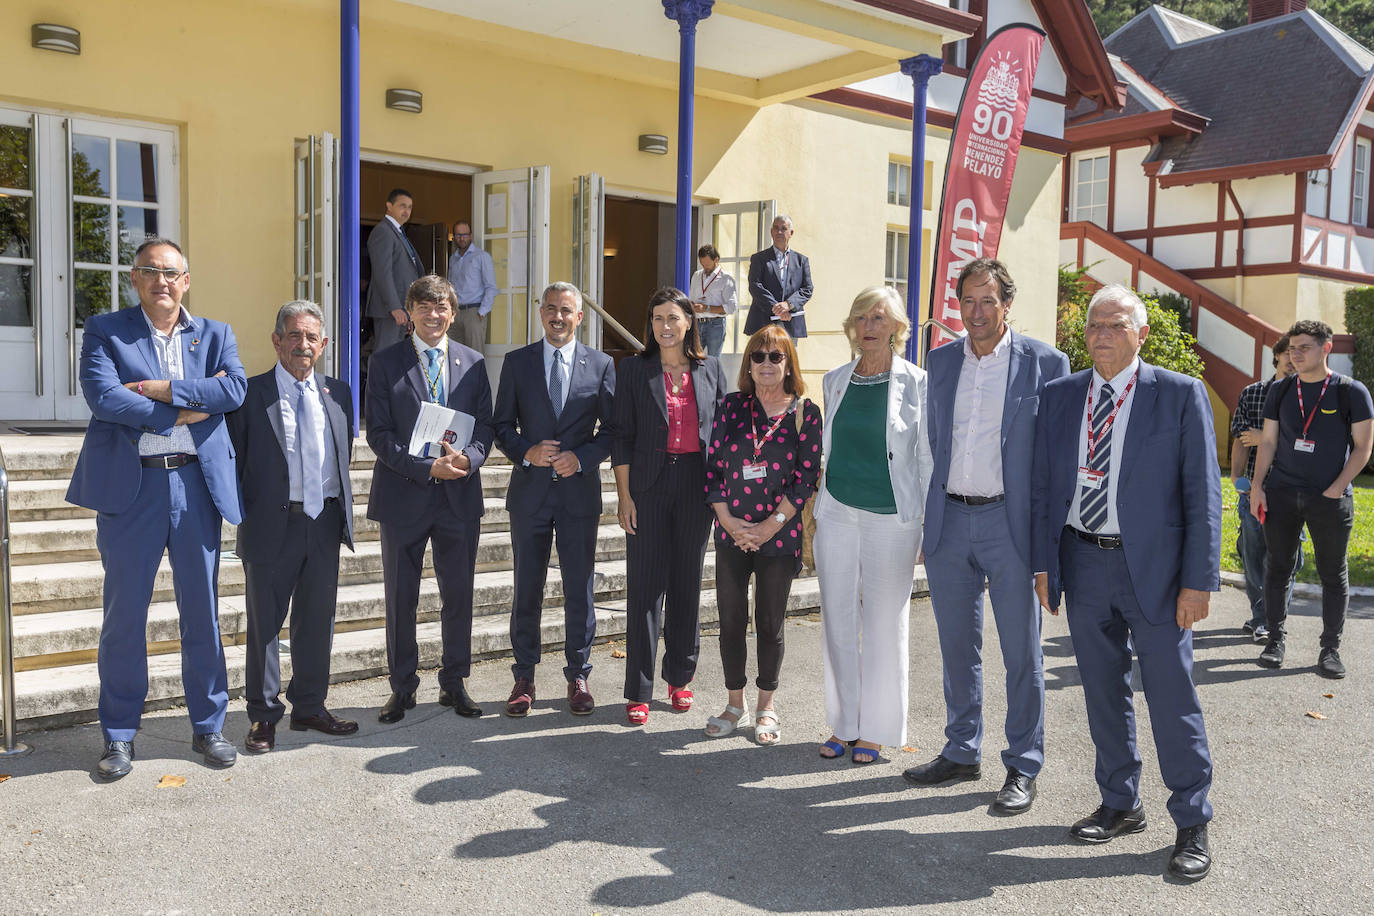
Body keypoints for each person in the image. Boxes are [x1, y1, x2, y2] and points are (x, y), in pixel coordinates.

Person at [1031, 284, 1219, 882]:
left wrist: (1198, 581)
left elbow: (1203, 494)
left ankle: (1191, 819)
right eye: (1093, 326)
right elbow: (1044, 489)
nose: (1101, 335)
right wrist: (1045, 565)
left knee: (1171, 695)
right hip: (1083, 562)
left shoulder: (1180, 395)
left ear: (1141, 333)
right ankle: (1120, 801)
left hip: (1159, 576)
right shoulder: (1062, 396)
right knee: (1101, 693)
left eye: (1114, 325)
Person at [67, 237, 246, 779]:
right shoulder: (106, 329)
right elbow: (105, 397)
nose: (161, 281)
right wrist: (185, 410)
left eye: (171, 273)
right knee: (124, 618)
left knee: (203, 615)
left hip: (195, 489)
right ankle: (119, 734)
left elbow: (234, 390)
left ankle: (209, 725)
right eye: (150, 271)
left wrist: (164, 388)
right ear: (135, 279)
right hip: (132, 491)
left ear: (186, 280)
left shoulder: (215, 334)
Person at [903, 259, 1069, 814]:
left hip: (1011, 525)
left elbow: (1056, 458)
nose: (975, 313)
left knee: (1022, 652)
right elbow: (934, 442)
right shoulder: (941, 361)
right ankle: (961, 748)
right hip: (950, 521)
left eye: (987, 302)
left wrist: (1051, 539)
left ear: (1006, 305)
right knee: (956, 648)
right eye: (967, 301)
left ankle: (1023, 764)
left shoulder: (1046, 363)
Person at [227, 301, 357, 753]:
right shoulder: (248, 394)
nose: (304, 345)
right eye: (295, 336)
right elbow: (236, 461)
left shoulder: (338, 393)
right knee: (265, 624)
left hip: (323, 523)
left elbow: (343, 456)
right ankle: (263, 717)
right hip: (270, 525)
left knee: (317, 620)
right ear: (277, 340)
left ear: (323, 345)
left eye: (312, 338)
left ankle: (309, 705)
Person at [366, 275, 495, 723]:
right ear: (411, 313)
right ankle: (402, 688)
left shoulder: (474, 363)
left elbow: (485, 428)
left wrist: (469, 460)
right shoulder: (385, 363)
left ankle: (454, 683)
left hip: (458, 495)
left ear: (453, 314)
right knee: (401, 598)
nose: (433, 315)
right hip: (404, 496)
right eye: (424, 307)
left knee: (458, 595)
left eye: (441, 308)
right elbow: (378, 435)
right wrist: (425, 468)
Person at [813, 285, 932, 765]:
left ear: (898, 327)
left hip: (893, 519)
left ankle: (878, 729)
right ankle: (845, 723)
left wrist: (924, 522)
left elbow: (924, 456)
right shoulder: (835, 379)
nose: (868, 326)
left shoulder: (918, 383)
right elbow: (827, 449)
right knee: (837, 621)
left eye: (878, 317)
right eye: (861, 317)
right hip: (838, 512)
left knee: (885, 626)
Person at [492, 282, 616, 717]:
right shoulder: (517, 362)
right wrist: (525, 450)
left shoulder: (600, 365)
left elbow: (613, 432)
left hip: (578, 496)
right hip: (530, 495)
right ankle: (524, 675)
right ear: (540, 313)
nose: (558, 317)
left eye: (566, 310)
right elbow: (501, 424)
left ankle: (578, 674)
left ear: (580, 317)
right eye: (550, 309)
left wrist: (580, 459)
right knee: (527, 586)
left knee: (578, 588)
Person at [612, 287, 727, 725]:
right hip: (647, 489)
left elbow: (723, 432)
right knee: (644, 589)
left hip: (697, 486)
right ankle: (639, 690)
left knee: (687, 586)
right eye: (658, 317)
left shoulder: (710, 368)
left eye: (673, 317)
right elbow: (620, 434)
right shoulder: (633, 370)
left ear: (689, 322)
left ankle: (680, 677)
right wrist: (624, 496)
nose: (665, 326)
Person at [702, 326, 822, 744]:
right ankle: (734, 703)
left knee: (769, 624)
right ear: (748, 364)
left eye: (776, 356)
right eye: (758, 356)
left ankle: (766, 706)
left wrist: (769, 526)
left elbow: (806, 477)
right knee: (731, 620)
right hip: (731, 532)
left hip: (780, 536)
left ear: (789, 363)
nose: (766, 364)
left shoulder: (805, 412)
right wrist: (731, 523)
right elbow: (713, 468)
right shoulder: (731, 407)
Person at [1250, 319, 1373, 678]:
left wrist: (1337, 488)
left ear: (1326, 348)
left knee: (1333, 574)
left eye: (1304, 347)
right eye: (1292, 348)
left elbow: (1364, 447)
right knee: (1278, 568)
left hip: (1329, 498)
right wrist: (1258, 486)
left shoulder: (1350, 391)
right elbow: (1269, 442)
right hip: (1282, 494)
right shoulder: (1282, 390)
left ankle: (1330, 649)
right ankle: (1275, 640)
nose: (1296, 354)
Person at [1230, 334, 1303, 643]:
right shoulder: (1253, 394)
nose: (1292, 358)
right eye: (1287, 352)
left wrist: (1268, 438)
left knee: (1287, 558)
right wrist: (1235, 478)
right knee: (1252, 554)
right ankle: (1263, 616)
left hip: (1293, 492)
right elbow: (1240, 438)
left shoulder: (1309, 397)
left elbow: (1309, 445)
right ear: (1276, 356)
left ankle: (1272, 619)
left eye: (1299, 352)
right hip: (1253, 492)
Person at [366, 188, 423, 351]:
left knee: (396, 357)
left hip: (403, 309)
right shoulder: (383, 231)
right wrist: (394, 307)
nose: (407, 211)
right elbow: (382, 273)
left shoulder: (398, 232)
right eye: (402, 206)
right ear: (389, 206)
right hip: (390, 310)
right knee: (386, 355)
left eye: (410, 207)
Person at [743, 216, 812, 339]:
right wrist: (776, 308)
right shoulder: (759, 259)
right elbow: (755, 286)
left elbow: (807, 289)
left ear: (791, 233)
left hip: (791, 322)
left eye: (783, 228)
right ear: (771, 231)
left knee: (788, 358)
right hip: (763, 322)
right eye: (776, 228)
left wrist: (788, 305)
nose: (779, 232)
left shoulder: (801, 261)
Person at [446, 219, 498, 352]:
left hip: (473, 313)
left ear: (471, 235)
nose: (461, 238)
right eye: (458, 235)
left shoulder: (482, 256)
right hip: (455, 313)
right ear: (454, 237)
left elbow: (491, 287)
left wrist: (481, 313)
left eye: (465, 234)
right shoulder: (453, 259)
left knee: (474, 357)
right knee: (453, 354)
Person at [688, 244, 738, 358]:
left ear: (716, 259)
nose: (705, 267)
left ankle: (713, 377)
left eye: (707, 264)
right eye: (702, 264)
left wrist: (706, 308)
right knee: (693, 358)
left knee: (713, 361)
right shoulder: (696, 275)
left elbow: (731, 307)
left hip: (716, 325)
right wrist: (691, 305)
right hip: (697, 323)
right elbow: (691, 298)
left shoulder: (726, 278)